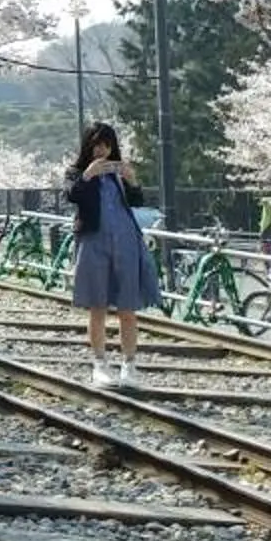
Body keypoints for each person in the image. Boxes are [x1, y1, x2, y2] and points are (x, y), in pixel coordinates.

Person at [66, 122, 162, 385]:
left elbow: (137, 202)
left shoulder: (116, 174)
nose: (101, 151)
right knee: (97, 306)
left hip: (125, 241)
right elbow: (72, 195)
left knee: (127, 307)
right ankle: (99, 363)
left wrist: (132, 180)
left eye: (106, 146)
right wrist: (88, 175)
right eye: (96, 145)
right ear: (88, 146)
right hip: (94, 242)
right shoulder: (77, 173)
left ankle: (129, 365)